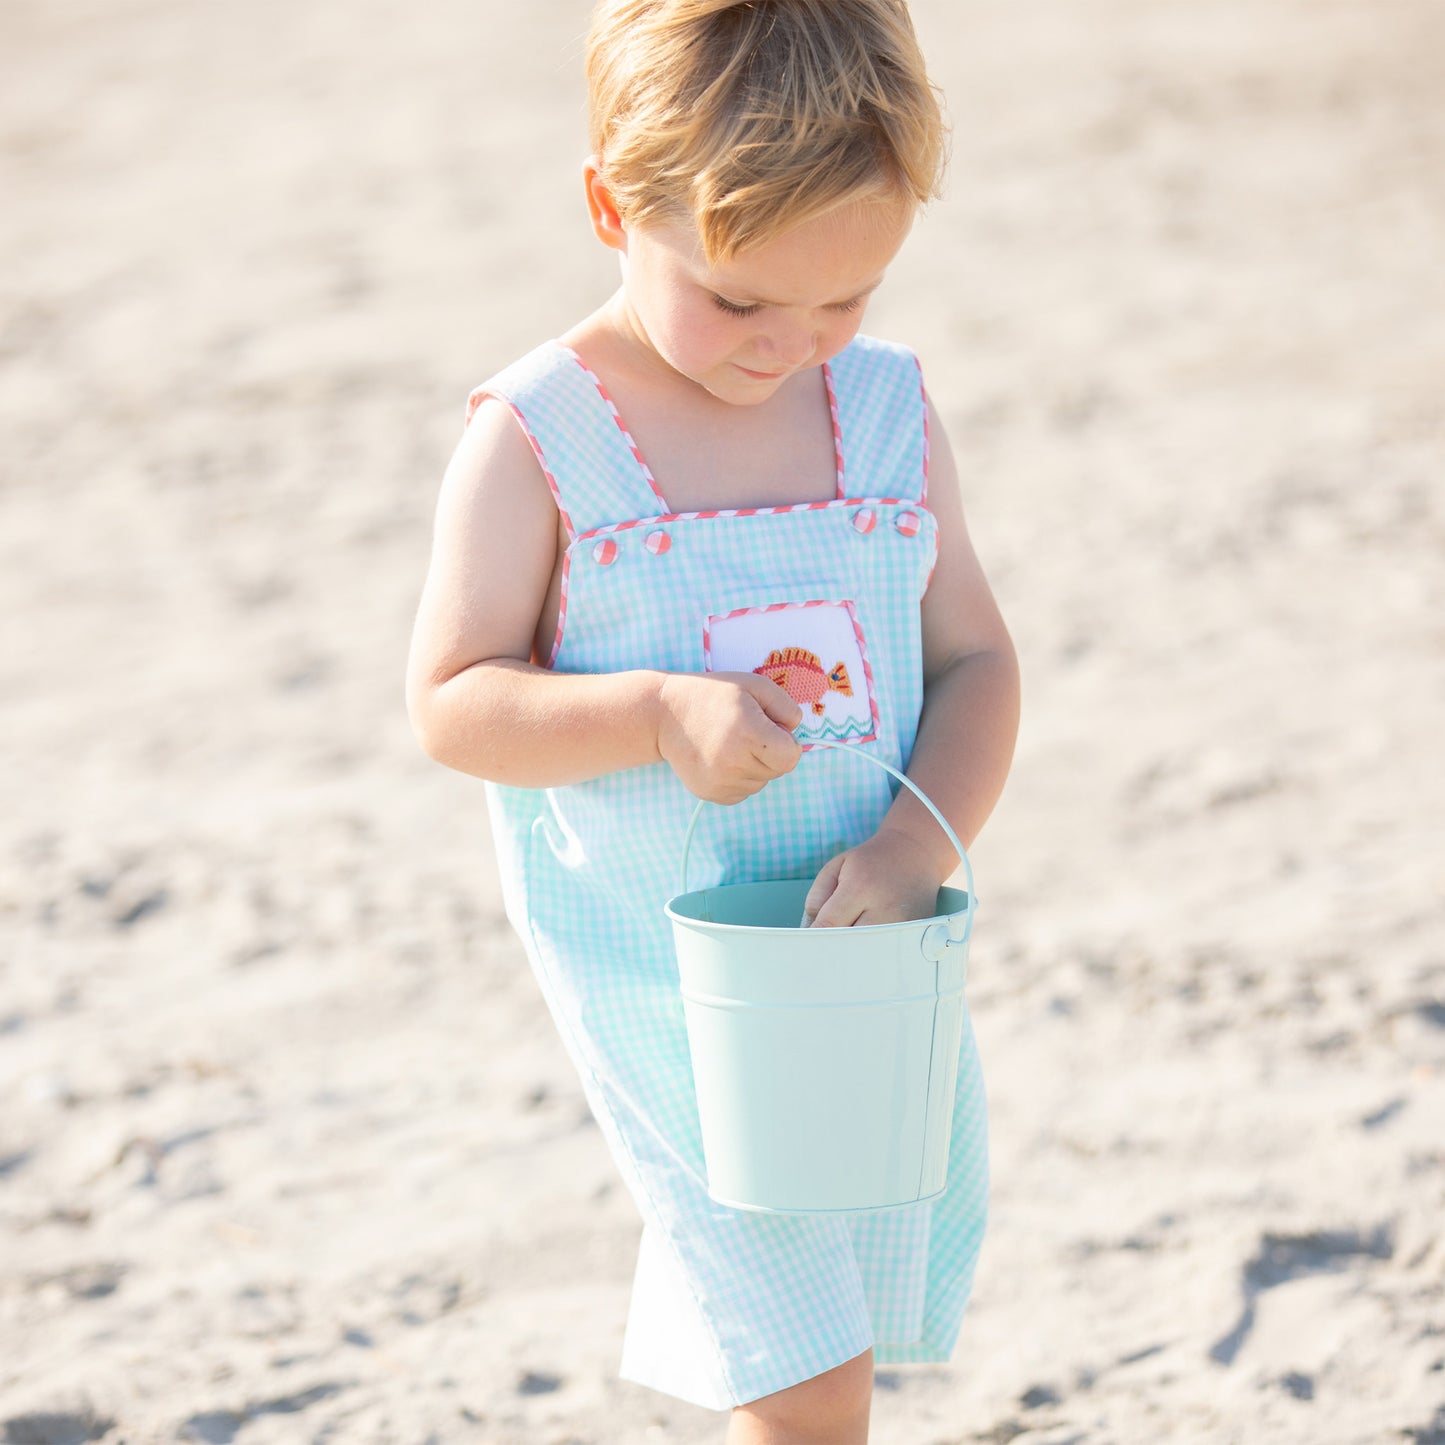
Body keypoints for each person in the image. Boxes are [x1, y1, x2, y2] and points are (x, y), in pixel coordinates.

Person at [406, 1, 1020, 1438]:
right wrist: (655, 709)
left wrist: (917, 845)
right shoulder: (540, 438)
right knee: (795, 1343)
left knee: (832, 1305)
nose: (790, 344)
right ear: (611, 205)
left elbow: (978, 661)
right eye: (740, 301)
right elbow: (452, 701)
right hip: (668, 977)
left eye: (844, 299)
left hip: (862, 937)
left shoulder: (877, 413)